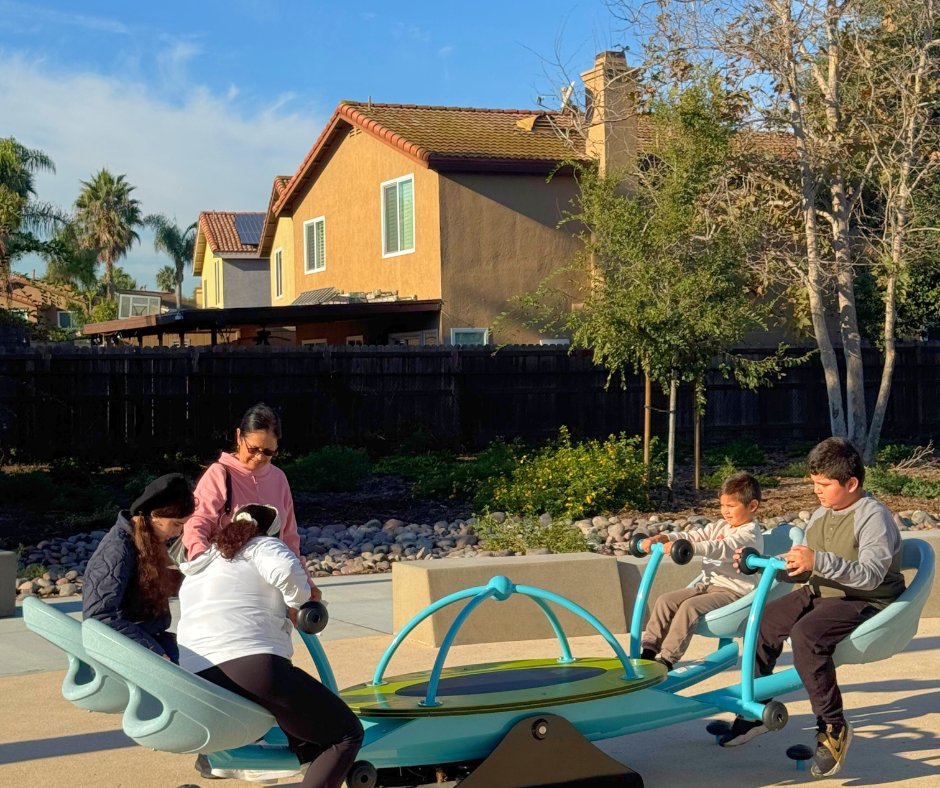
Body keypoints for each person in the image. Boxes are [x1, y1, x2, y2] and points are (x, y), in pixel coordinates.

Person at [722, 437, 905, 778]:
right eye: (814, 484)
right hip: (822, 592)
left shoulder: (873, 517)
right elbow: (802, 564)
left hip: (863, 599)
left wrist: (818, 561)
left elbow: (870, 575)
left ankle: (833, 726)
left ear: (851, 483)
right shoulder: (822, 514)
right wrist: (764, 564)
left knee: (806, 635)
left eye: (824, 485)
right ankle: (754, 707)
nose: (817, 491)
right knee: (763, 619)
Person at [177, 503, 363, 788]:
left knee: (306, 732)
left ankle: (309, 757)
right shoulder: (262, 545)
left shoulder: (203, 563)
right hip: (249, 663)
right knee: (346, 734)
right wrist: (299, 603)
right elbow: (287, 569)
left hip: (197, 672)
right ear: (272, 533)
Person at [639, 472, 764, 671]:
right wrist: (665, 538)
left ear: (752, 506)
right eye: (722, 505)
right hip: (707, 586)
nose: (726, 511)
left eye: (731, 506)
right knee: (665, 600)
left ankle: (667, 661)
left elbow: (722, 548)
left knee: (690, 607)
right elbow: (695, 535)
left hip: (733, 592)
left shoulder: (749, 534)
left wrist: (689, 549)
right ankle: (647, 652)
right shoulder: (722, 526)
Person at [183, 403, 309, 574]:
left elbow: (289, 538)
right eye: (253, 449)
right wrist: (201, 562)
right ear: (238, 437)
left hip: (271, 581)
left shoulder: (279, 478)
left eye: (268, 452)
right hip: (226, 576)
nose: (259, 457)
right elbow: (197, 523)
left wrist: (305, 580)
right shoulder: (219, 474)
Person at [83, 473, 195, 662]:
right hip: (136, 649)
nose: (178, 533)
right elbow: (99, 616)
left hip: (151, 637)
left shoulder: (145, 542)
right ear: (155, 515)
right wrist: (153, 652)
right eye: (176, 524)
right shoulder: (117, 549)